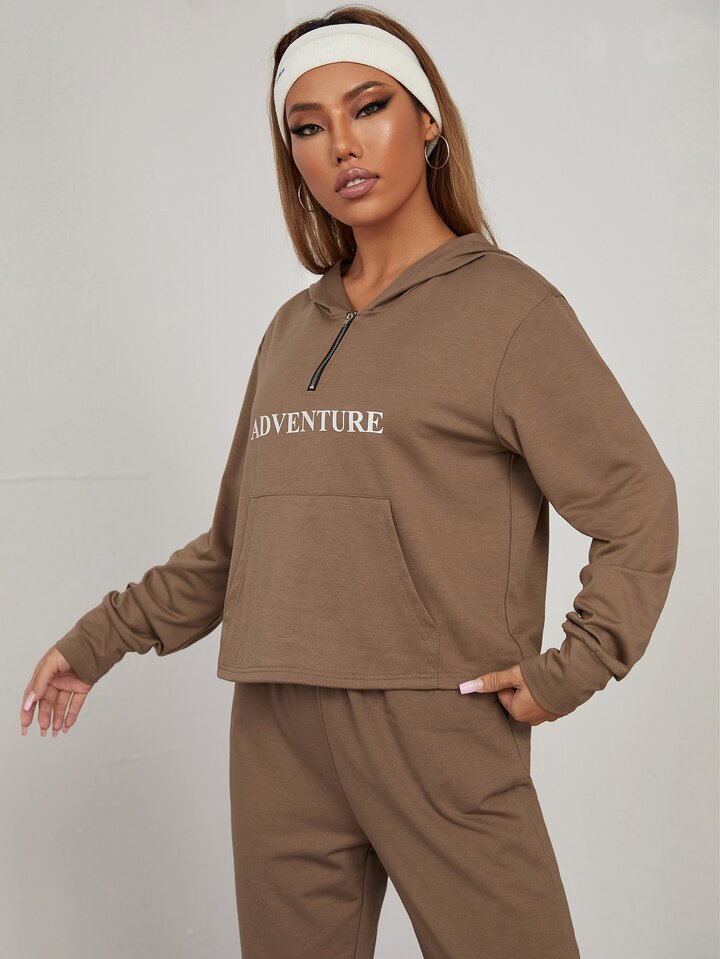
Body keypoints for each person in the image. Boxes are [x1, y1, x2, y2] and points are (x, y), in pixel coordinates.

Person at [21, 7, 679, 957]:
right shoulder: (294, 329)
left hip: (438, 720)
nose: (341, 144)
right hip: (276, 724)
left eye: (368, 107)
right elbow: (239, 544)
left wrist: (573, 668)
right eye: (308, 125)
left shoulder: (510, 310)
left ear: (428, 120)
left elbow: (637, 501)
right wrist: (99, 639)